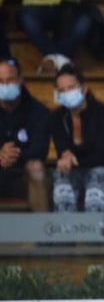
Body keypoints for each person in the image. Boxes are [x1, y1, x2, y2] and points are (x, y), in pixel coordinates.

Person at [48, 64, 104, 212]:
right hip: (75, 172)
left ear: (84, 88)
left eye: (71, 88)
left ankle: (95, 231)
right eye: (61, 90)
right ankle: (64, 232)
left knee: (97, 176)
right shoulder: (57, 117)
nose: (66, 93)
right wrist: (66, 154)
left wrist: (74, 162)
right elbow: (62, 148)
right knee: (62, 179)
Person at [0, 58, 50, 211]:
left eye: (10, 80)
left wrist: (12, 155)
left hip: (22, 174)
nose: (5, 85)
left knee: (36, 168)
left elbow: (40, 150)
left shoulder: (39, 111)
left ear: (21, 80)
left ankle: (42, 231)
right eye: (1, 81)